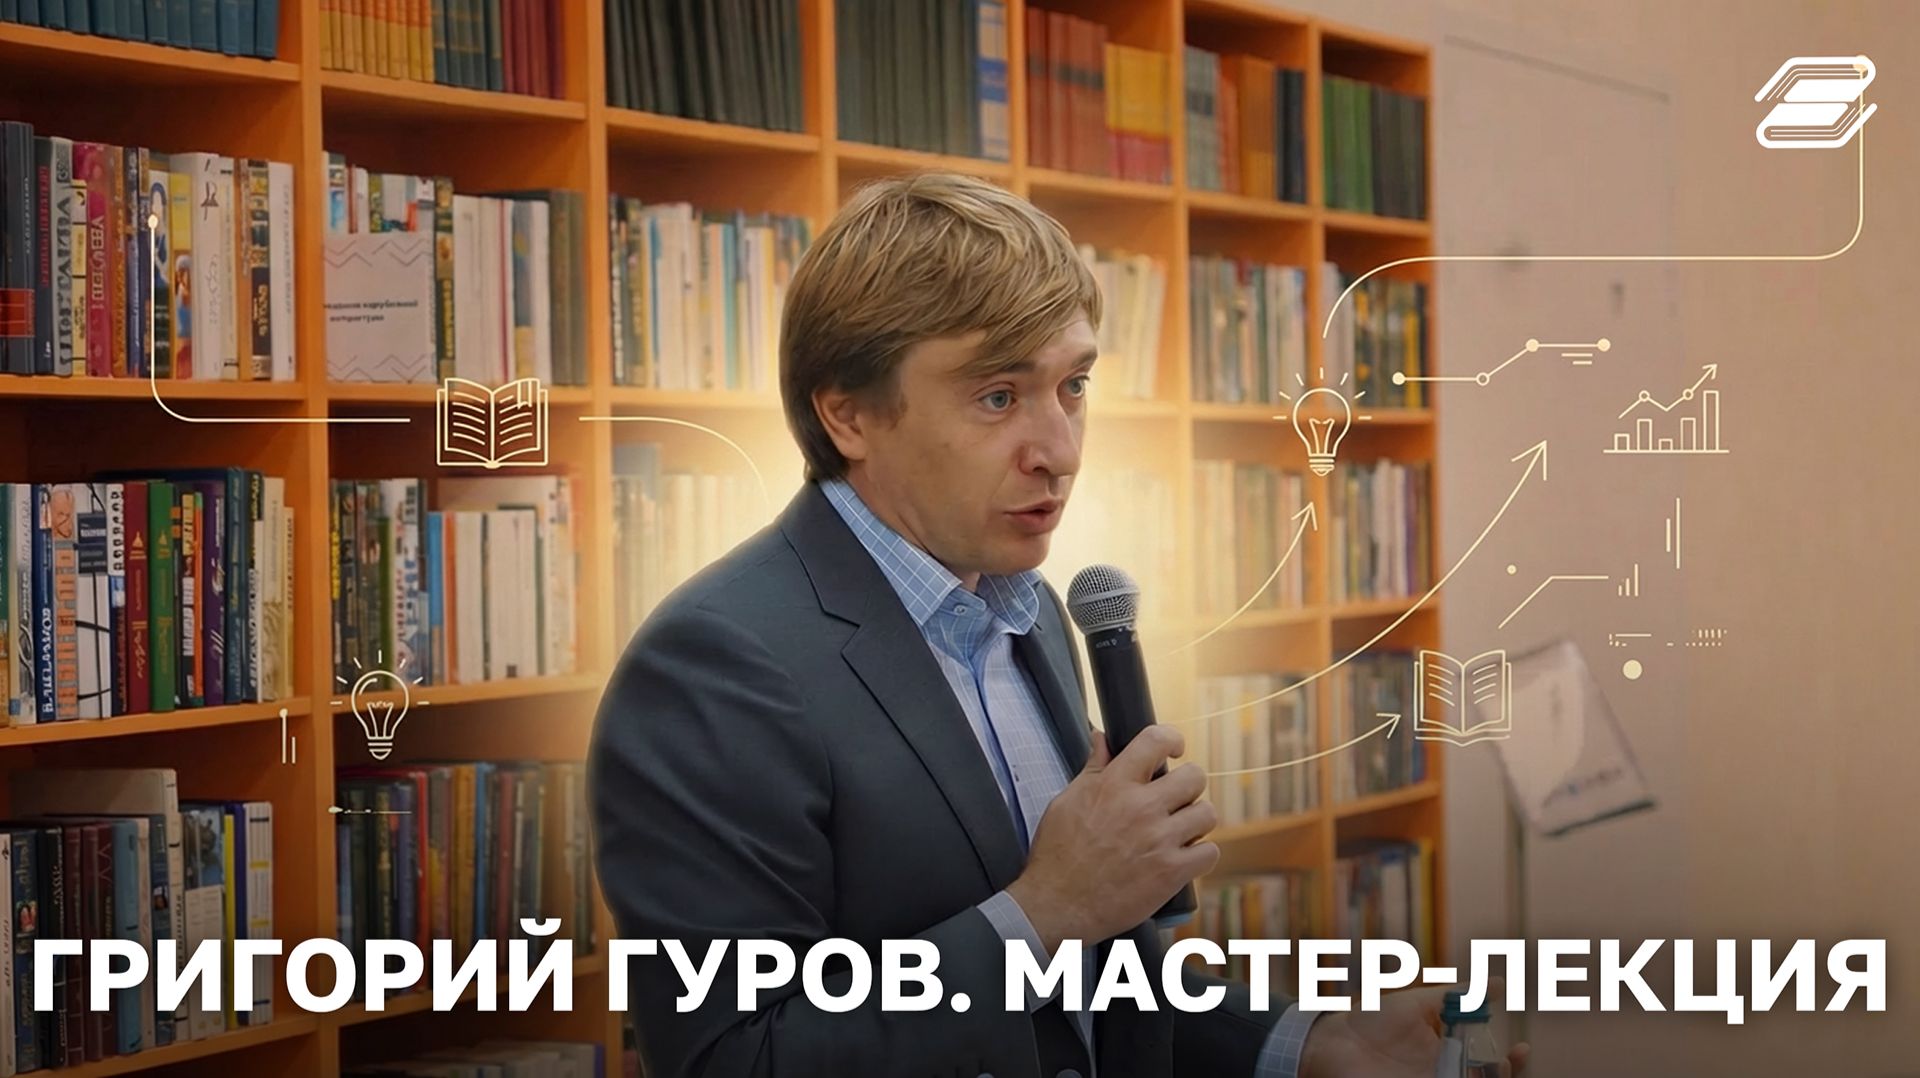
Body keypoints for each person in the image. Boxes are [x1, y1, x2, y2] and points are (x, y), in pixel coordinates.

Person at [588, 172, 1530, 1078]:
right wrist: (1040, 913)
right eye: (998, 396)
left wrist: (1315, 1047)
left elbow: (1095, 980)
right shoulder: (713, 665)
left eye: (1073, 385)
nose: (1061, 450)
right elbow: (740, 1057)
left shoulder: (1030, 609)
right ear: (849, 414)